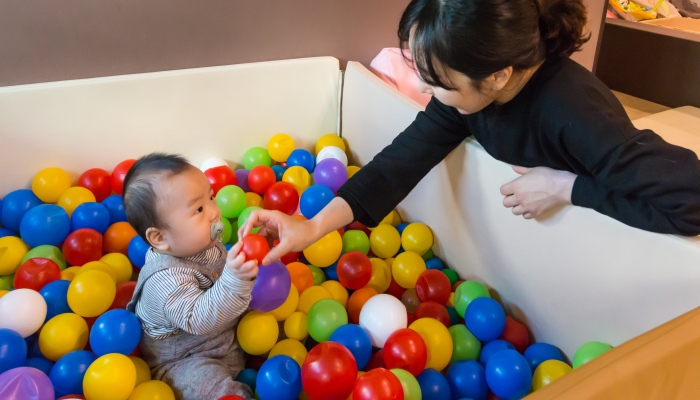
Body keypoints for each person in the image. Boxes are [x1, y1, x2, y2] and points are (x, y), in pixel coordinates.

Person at [242, 0, 700, 266]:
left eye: (438, 80)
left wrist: (567, 187)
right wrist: (311, 227)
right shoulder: (469, 97)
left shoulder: (574, 113)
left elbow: (690, 201)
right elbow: (399, 163)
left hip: (617, 257)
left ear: (498, 76)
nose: (423, 87)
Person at [124, 153, 257, 400]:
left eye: (211, 197)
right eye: (198, 208)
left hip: (228, 335)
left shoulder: (200, 242)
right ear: (159, 238)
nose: (214, 213)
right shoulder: (165, 281)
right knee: (209, 387)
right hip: (186, 359)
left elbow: (222, 269)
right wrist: (235, 278)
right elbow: (199, 319)